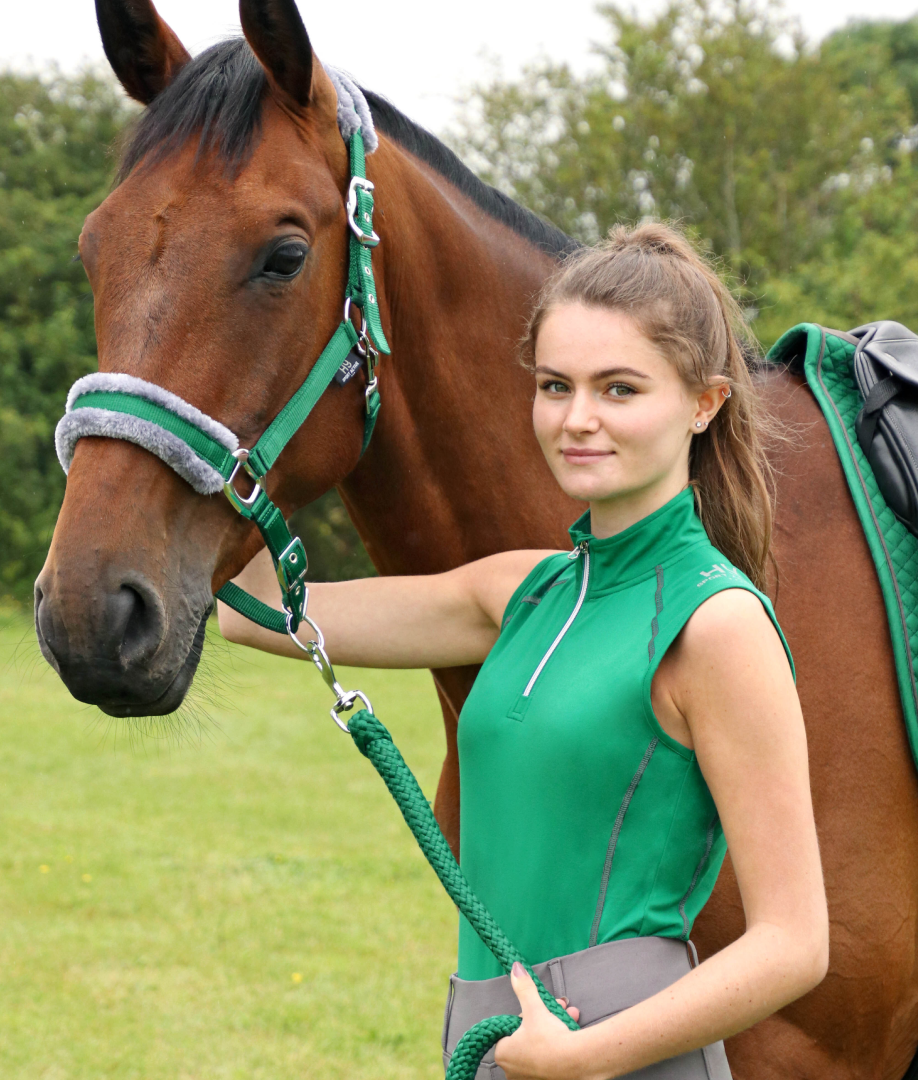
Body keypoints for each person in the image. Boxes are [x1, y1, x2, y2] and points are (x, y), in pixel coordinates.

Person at [218, 222, 828, 1080]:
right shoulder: (520, 593)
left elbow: (794, 944)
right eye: (555, 385)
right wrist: (215, 406)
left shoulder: (716, 624)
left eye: (619, 389)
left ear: (704, 401)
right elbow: (251, 609)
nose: (577, 419)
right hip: (492, 1037)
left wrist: (585, 1057)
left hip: (619, 1054)